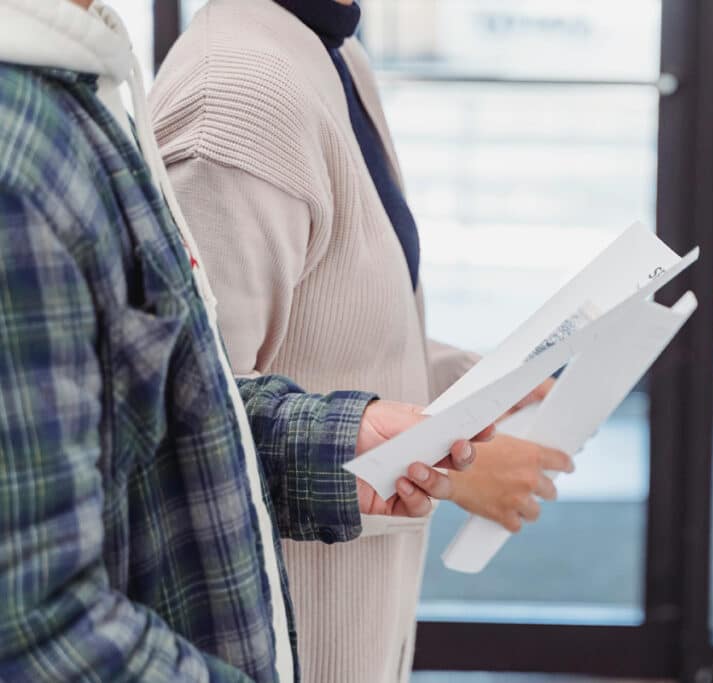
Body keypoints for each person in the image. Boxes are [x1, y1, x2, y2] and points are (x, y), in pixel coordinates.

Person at [0, 1, 488, 680]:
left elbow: (177, 406)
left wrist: (339, 441)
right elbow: (38, 628)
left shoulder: (85, 73)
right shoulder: (228, 92)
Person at [150, 0, 575, 681]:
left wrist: (473, 382)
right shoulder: (238, 95)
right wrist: (455, 465)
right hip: (287, 634)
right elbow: (193, 433)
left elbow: (340, 327)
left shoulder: (333, 52)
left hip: (359, 611)